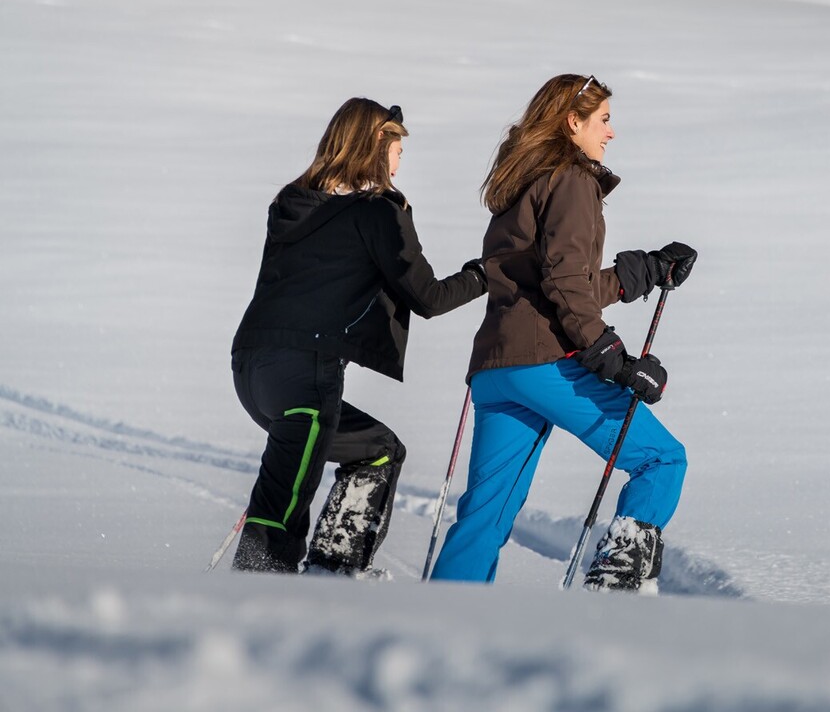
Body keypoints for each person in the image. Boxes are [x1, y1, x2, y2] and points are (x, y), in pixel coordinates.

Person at [430, 74, 697, 592]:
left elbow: (551, 279)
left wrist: (643, 270)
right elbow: (565, 281)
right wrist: (609, 354)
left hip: (496, 371)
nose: (611, 133)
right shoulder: (572, 179)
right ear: (572, 122)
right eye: (603, 120)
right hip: (544, 364)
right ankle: (614, 593)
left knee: (485, 517)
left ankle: (440, 626)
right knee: (662, 459)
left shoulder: (525, 179)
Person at [229, 97, 486, 576]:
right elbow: (427, 297)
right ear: (375, 147)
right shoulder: (376, 213)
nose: (400, 158)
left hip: (251, 368)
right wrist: (485, 273)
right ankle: (289, 585)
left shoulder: (291, 202)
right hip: (306, 373)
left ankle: (326, 570)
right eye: (396, 147)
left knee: (377, 451)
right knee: (280, 513)